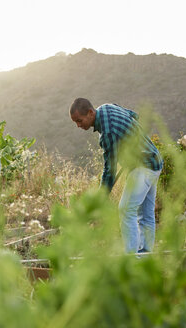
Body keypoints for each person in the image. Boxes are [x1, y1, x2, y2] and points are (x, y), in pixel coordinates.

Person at [69, 99, 163, 253]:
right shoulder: (107, 107)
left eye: (79, 121)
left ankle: (131, 259)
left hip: (143, 166)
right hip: (155, 160)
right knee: (145, 214)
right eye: (75, 123)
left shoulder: (108, 132)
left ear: (91, 113)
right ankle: (145, 255)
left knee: (126, 210)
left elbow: (110, 170)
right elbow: (134, 115)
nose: (78, 125)